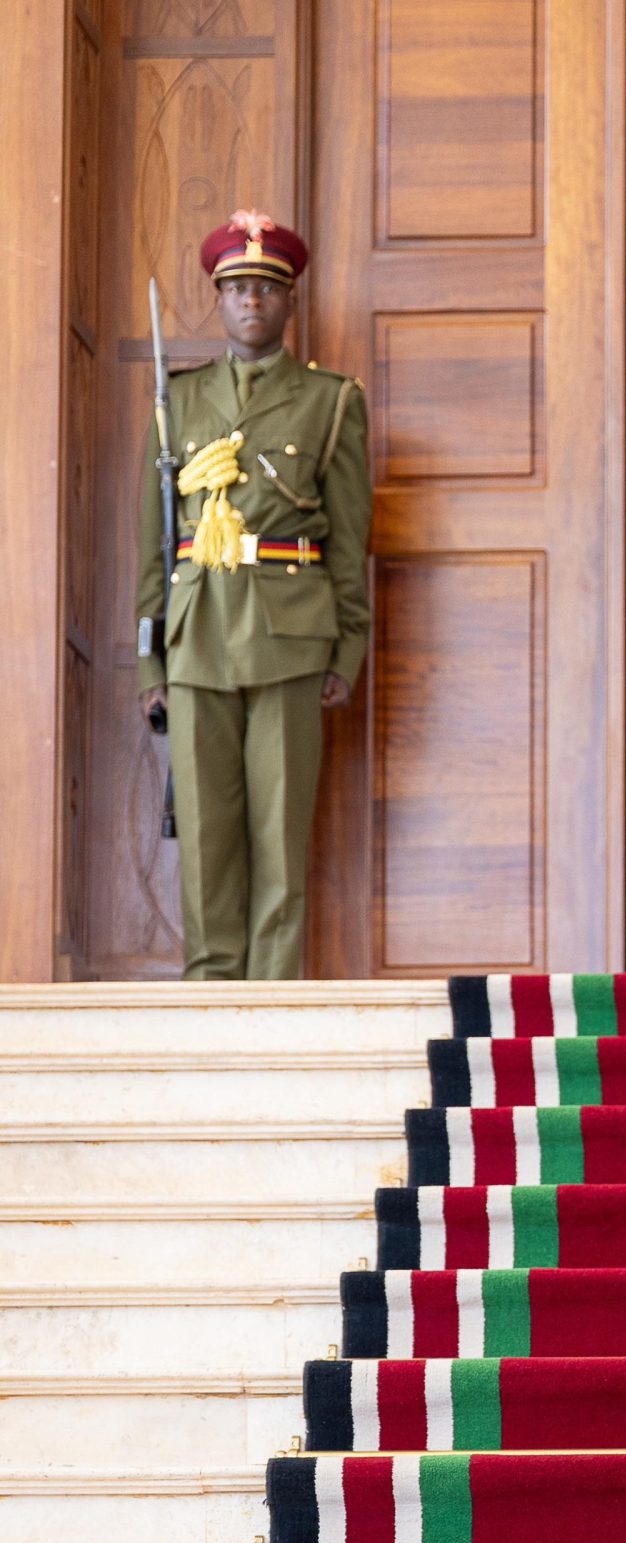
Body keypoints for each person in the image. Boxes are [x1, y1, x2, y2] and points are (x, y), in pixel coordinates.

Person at [136, 209, 373, 980]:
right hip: (198, 631)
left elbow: (349, 539)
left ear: (289, 302)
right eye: (236, 287)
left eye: (266, 289)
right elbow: (154, 540)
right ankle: (209, 993)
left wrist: (349, 648)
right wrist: (150, 662)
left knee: (279, 830)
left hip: (290, 636)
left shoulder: (331, 402)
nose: (250, 301)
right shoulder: (181, 400)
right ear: (218, 299)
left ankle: (275, 1000)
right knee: (205, 831)